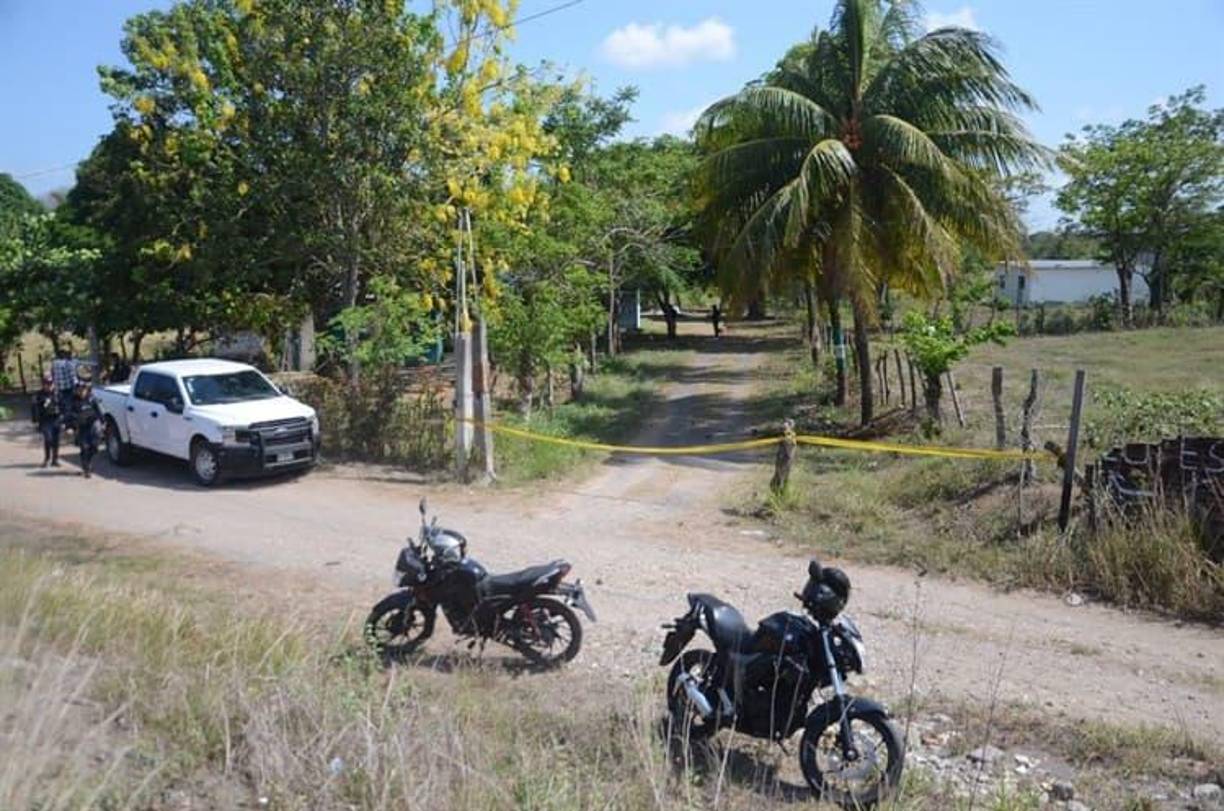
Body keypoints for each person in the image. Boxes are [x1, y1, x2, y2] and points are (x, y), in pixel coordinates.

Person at [70, 378, 103, 478]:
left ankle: (88, 463)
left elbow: (99, 411)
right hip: (82, 428)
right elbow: (70, 415)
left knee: (94, 447)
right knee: (84, 448)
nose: (82, 391)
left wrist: (103, 423)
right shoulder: (74, 401)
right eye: (80, 389)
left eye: (83, 389)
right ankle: (86, 469)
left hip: (93, 425)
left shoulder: (92, 399)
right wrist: (70, 427)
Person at [30, 374, 61, 467]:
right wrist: (35, 421)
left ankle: (55, 459)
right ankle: (47, 458)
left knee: (56, 440)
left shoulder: (57, 394)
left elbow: (63, 406)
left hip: (56, 419)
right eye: (47, 383)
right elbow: (34, 408)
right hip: (45, 420)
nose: (49, 385)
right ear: (43, 384)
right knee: (48, 439)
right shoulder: (38, 395)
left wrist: (64, 419)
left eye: (51, 383)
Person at [51, 348, 77, 418]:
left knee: (61, 403)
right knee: (68, 403)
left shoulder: (54, 363)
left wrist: (54, 383)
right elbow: (73, 375)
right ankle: (68, 418)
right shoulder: (68, 363)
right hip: (68, 387)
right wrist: (75, 385)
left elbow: (52, 373)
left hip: (58, 387)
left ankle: (61, 416)